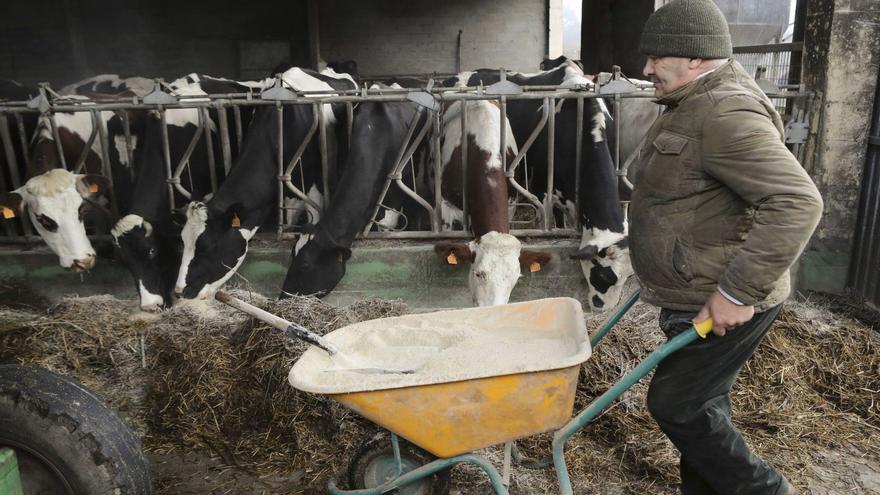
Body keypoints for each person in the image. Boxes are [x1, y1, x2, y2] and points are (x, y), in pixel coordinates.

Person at [629, 1, 824, 494]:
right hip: (694, 285)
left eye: (656, 57)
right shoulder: (694, 98)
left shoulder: (724, 111)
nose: (646, 68)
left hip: (722, 294)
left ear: (695, 58)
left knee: (679, 404)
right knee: (703, 405)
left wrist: (736, 294)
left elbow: (797, 202)